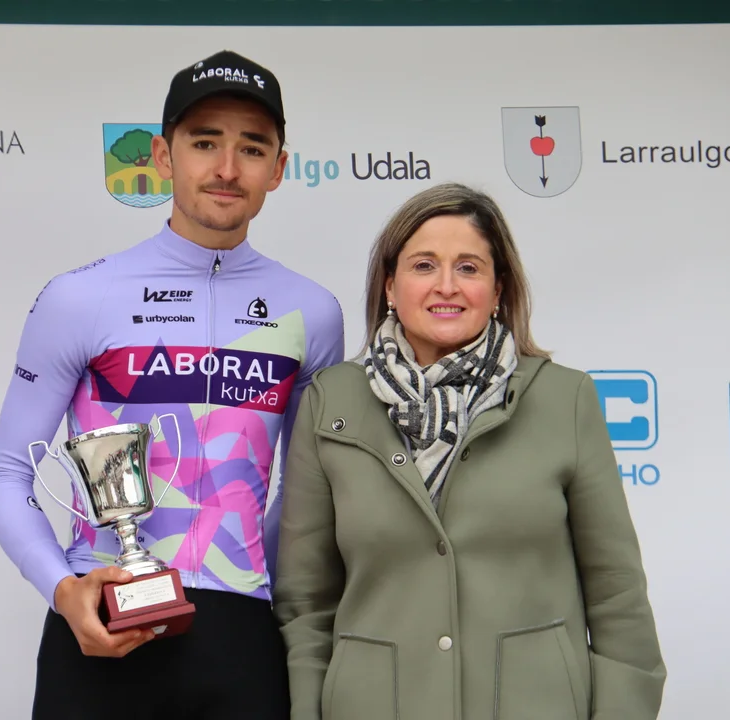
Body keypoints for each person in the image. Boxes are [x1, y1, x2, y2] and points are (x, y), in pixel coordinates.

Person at [0, 49, 345, 720]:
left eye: (252, 147)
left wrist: (266, 587)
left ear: (278, 168)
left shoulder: (312, 313)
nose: (227, 168)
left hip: (243, 634)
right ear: (163, 155)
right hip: (100, 619)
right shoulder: (80, 297)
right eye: (205, 142)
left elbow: (307, 494)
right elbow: (6, 472)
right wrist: (63, 589)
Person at [273, 182, 666, 720]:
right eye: (424, 265)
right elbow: (306, 603)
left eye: (468, 267)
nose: (446, 286)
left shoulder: (565, 398)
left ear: (498, 288)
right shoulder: (330, 401)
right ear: (390, 286)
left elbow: (617, 594)